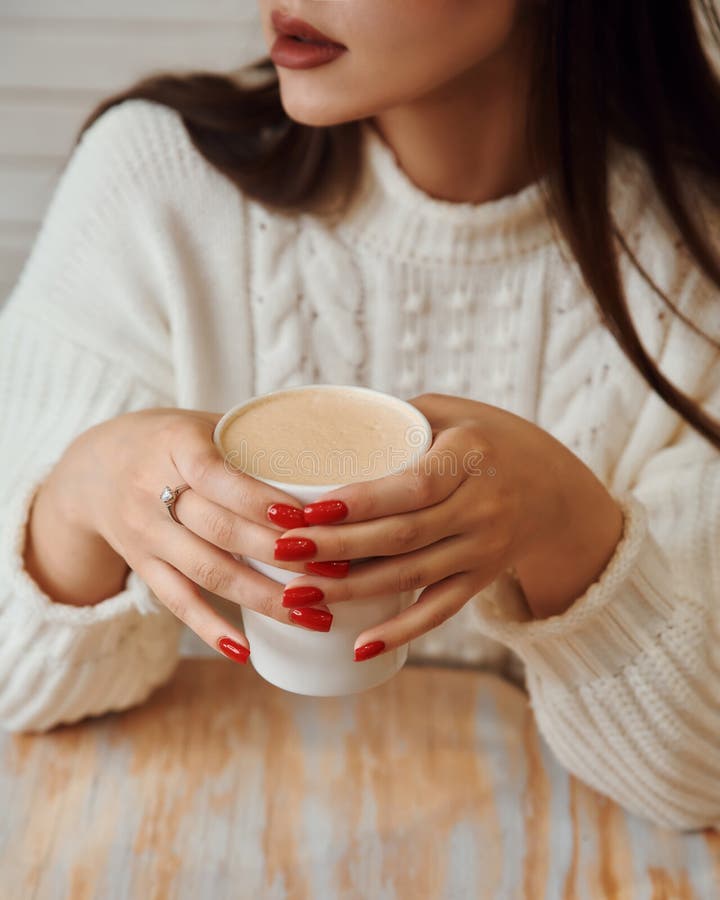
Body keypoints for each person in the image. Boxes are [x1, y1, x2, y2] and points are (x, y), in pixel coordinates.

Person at [0, 0, 718, 831]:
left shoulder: (694, 254)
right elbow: (20, 690)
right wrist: (85, 497)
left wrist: (566, 523)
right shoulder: (156, 180)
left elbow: (695, 778)